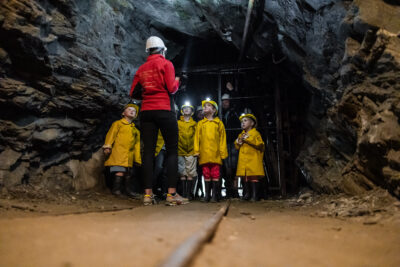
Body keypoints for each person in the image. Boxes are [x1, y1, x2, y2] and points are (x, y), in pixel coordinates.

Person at [130, 36, 188, 206]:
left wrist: (148, 93)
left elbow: (133, 93)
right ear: (163, 50)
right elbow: (172, 88)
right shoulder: (166, 64)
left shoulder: (141, 68)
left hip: (147, 111)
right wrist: (178, 80)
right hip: (164, 109)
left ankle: (147, 195)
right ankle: (171, 195)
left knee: (147, 152)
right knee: (171, 151)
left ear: (148, 50)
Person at [103, 104, 141, 197]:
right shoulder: (118, 124)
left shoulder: (136, 130)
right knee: (120, 171)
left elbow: (137, 145)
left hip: (129, 155)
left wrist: (137, 158)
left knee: (128, 173)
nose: (132, 111)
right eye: (129, 109)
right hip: (119, 152)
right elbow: (111, 134)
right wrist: (107, 146)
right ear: (123, 113)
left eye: (134, 111)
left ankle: (127, 190)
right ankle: (116, 190)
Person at [194, 99, 228, 202]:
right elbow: (196, 138)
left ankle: (214, 195)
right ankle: (207, 195)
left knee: (215, 174)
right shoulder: (200, 124)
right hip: (204, 154)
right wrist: (196, 151)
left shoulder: (219, 123)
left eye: (208, 106)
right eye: (204, 106)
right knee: (206, 174)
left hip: (215, 154)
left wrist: (223, 154)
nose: (204, 107)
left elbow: (222, 139)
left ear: (214, 110)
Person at [234, 114, 265, 201]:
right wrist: (239, 141)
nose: (242, 123)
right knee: (245, 177)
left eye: (245, 120)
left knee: (253, 177)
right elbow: (236, 146)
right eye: (241, 121)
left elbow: (260, 144)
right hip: (244, 160)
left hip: (253, 159)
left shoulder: (255, 133)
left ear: (252, 123)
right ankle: (247, 194)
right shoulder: (241, 134)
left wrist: (247, 140)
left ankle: (255, 195)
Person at [221, 93, 240, 198]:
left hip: (233, 142)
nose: (225, 103)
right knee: (225, 167)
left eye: (227, 101)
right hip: (224, 142)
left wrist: (233, 90)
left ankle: (235, 190)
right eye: (223, 101)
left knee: (234, 166)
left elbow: (239, 103)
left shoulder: (234, 112)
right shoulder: (220, 114)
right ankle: (229, 190)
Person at [177, 102, 197, 199]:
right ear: (182, 111)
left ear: (192, 112)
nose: (186, 109)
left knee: (190, 172)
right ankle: (183, 193)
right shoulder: (178, 123)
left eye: (189, 108)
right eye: (184, 108)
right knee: (182, 172)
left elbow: (197, 137)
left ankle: (188, 194)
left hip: (191, 151)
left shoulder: (194, 124)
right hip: (180, 150)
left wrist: (197, 150)